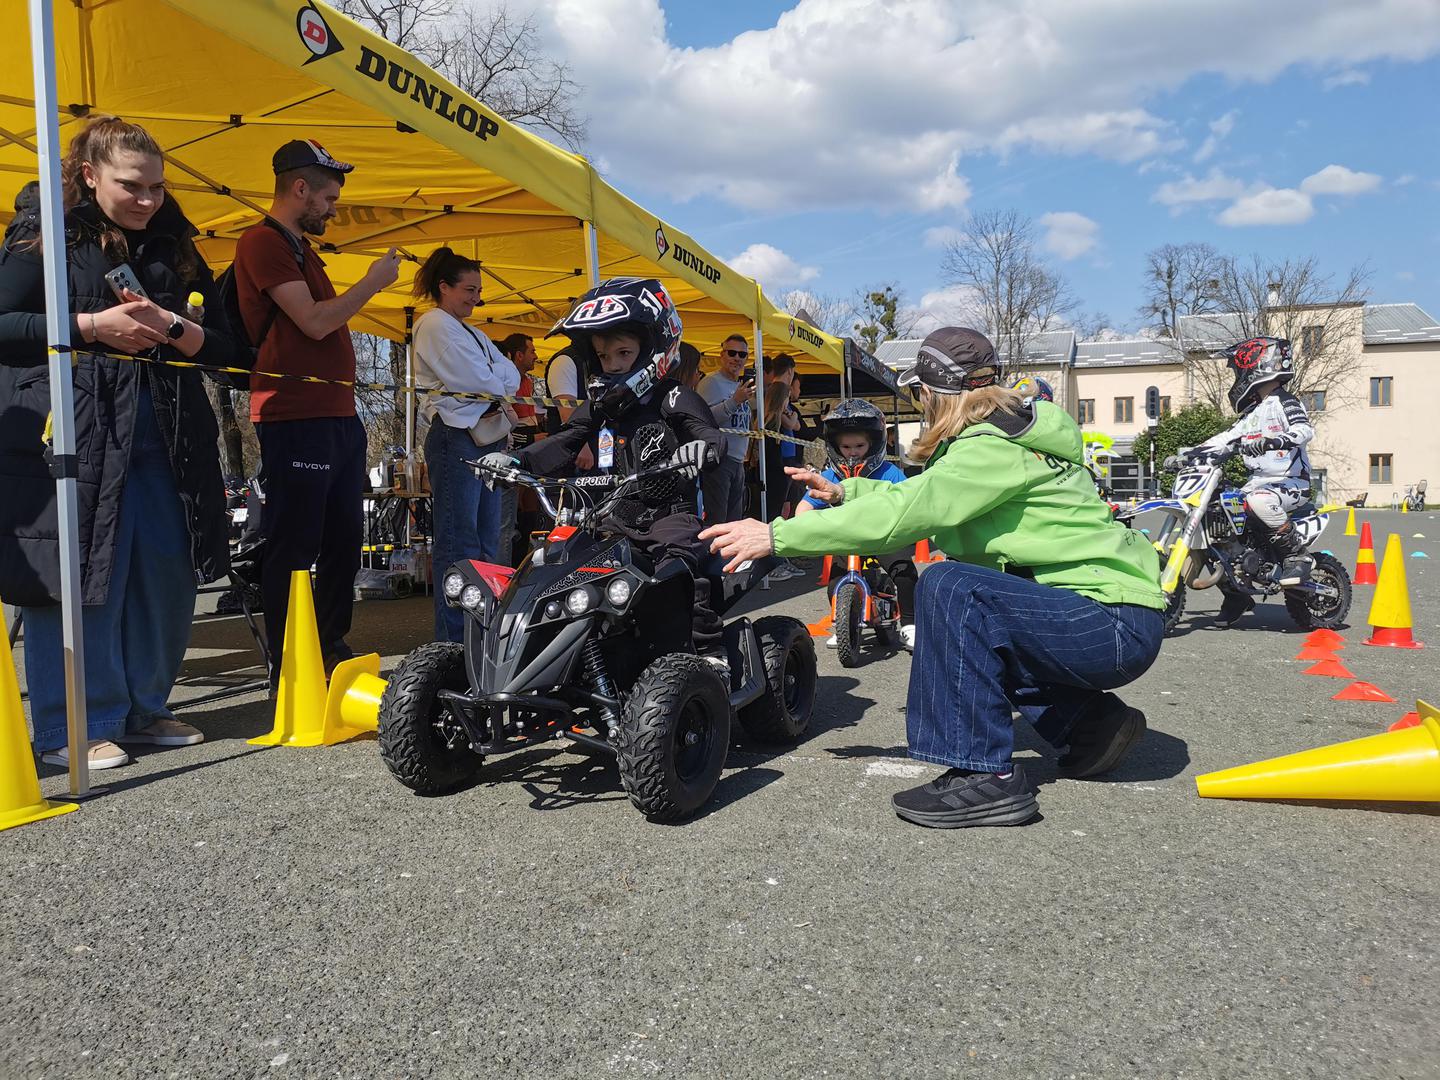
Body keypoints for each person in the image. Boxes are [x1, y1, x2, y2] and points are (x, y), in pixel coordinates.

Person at [702, 327, 1166, 829]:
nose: (921, 404)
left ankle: (983, 775)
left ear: (932, 392)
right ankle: (1092, 726)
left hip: (1107, 624)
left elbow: (905, 513)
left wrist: (777, 535)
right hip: (1108, 616)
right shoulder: (1009, 435)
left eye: (920, 393)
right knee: (984, 627)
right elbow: (922, 494)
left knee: (950, 587)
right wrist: (844, 494)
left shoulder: (990, 449)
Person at [0, 117, 248, 768]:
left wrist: (173, 327)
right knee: (82, 576)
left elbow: (233, 354)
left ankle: (144, 708)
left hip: (168, 433)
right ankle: (74, 724)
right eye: (131, 186)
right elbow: (3, 325)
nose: (147, 199)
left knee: (167, 573)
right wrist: (90, 326)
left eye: (157, 187)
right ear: (89, 176)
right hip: (75, 430)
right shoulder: (43, 233)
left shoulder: (178, 244)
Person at [233, 139, 400, 686]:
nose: (332, 210)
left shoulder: (301, 249)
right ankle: (292, 658)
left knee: (344, 538)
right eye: (327, 199)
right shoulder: (262, 242)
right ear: (299, 189)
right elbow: (315, 321)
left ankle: (329, 643)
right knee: (296, 540)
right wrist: (372, 283)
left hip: (337, 414)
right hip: (294, 415)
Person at [494, 278, 726, 651]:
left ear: (652, 347)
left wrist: (699, 449)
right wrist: (515, 460)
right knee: (557, 567)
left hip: (669, 518)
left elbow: (711, 437)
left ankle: (708, 655)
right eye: (603, 356)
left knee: (678, 574)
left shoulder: (674, 397)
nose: (613, 364)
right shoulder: (603, 405)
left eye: (623, 353)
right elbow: (566, 440)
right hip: (611, 519)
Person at [411, 248, 521, 639]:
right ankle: (454, 639)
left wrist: (492, 376)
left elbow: (507, 374)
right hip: (455, 437)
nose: (476, 298)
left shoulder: (471, 331)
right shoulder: (433, 324)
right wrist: (494, 376)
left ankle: (481, 633)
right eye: (469, 290)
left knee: (488, 541)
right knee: (461, 542)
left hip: (480, 437)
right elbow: (482, 380)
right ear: (444, 287)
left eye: (478, 291)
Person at [1187, 336, 1315, 625]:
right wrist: (1190, 454)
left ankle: (1297, 556)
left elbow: (1304, 429)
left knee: (1259, 500)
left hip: (1291, 482)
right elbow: (1225, 438)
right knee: (1217, 520)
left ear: (1256, 365)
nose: (1237, 375)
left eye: (1238, 369)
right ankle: (1236, 592)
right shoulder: (1253, 412)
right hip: (1258, 483)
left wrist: (1278, 439)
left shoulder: (1285, 401)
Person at [795, 399, 915, 648]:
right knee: (835, 584)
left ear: (874, 444)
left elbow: (910, 499)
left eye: (859, 445)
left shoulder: (889, 473)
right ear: (835, 447)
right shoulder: (829, 477)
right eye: (846, 446)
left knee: (904, 573)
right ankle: (842, 623)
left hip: (883, 538)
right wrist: (806, 525)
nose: (853, 452)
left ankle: (910, 624)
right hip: (847, 540)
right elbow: (804, 506)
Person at [696, 333, 755, 524]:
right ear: (722, 355)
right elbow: (703, 420)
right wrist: (734, 401)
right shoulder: (711, 382)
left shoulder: (741, 386)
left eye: (742, 354)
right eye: (732, 353)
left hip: (738, 461)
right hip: (719, 459)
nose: (737, 358)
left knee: (733, 521)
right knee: (718, 520)